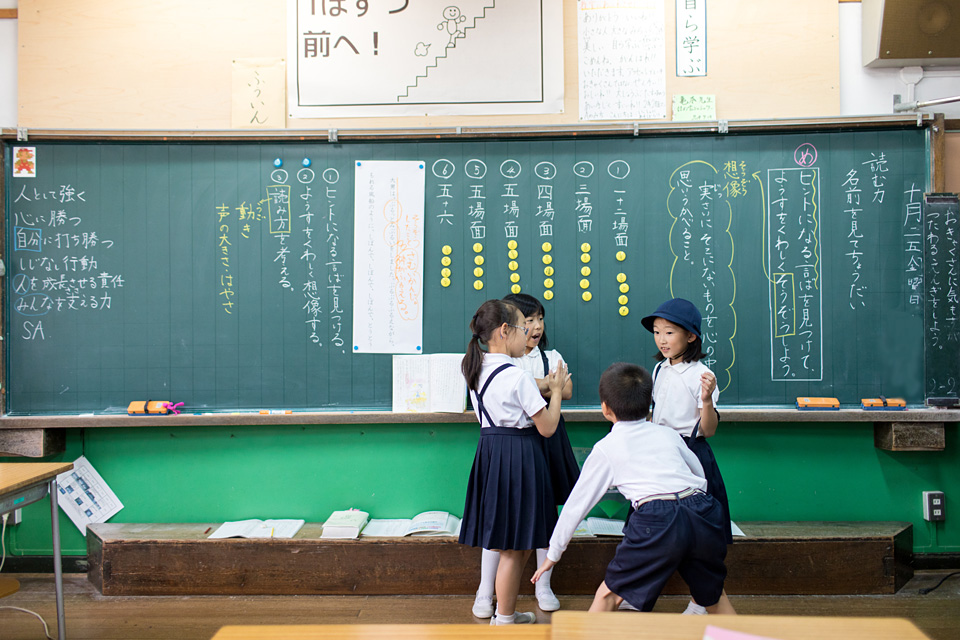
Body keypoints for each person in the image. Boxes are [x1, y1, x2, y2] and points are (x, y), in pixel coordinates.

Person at [531, 362, 734, 613]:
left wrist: (553, 554)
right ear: (650, 405)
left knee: (607, 597)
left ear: (605, 409)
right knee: (713, 597)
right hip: (702, 510)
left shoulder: (607, 447)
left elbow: (576, 506)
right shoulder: (668, 434)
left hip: (659, 518)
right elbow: (698, 473)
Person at [459, 299, 570, 625]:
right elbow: (548, 428)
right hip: (520, 456)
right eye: (524, 328)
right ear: (505, 331)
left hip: (492, 454)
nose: (529, 334)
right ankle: (505, 618)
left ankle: (502, 612)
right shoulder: (517, 377)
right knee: (515, 549)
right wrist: (558, 391)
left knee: (509, 545)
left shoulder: (476, 368)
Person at [641, 297, 735, 615]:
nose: (662, 340)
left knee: (701, 533)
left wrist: (707, 400)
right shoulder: (658, 369)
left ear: (691, 336)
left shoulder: (701, 375)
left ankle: (700, 602)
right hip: (662, 451)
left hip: (692, 454)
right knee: (653, 524)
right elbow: (656, 415)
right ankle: (632, 591)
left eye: (669, 332)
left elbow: (707, 430)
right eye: (657, 332)